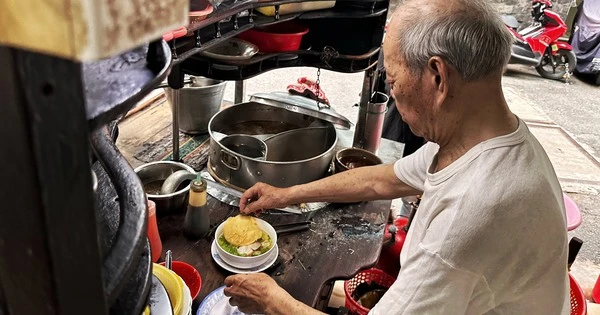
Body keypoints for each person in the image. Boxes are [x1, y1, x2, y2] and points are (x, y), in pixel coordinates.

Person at [223, 0, 569, 313]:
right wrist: (286, 195)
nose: (392, 91)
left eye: (392, 77)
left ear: (437, 77)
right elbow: (381, 179)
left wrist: (273, 301)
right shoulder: (479, 137)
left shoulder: (471, 215)